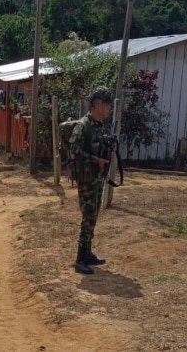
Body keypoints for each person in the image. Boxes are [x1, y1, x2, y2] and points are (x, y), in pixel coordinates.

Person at [69, 86, 114, 275]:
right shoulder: (83, 125)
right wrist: (97, 160)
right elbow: (74, 151)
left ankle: (87, 253)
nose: (108, 109)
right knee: (88, 216)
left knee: (93, 215)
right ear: (96, 104)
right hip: (86, 180)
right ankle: (80, 258)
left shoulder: (98, 126)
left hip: (96, 179)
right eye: (106, 105)